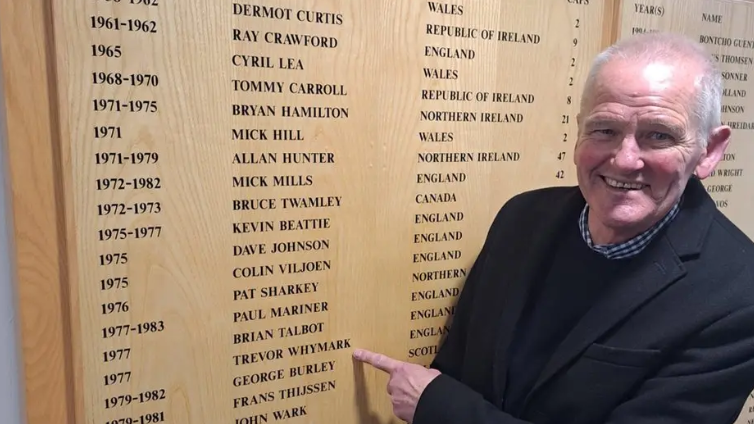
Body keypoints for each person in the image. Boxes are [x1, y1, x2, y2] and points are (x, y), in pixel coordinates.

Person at [353, 32, 754, 424]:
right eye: (604, 129)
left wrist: (438, 407)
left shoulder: (738, 297)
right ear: (578, 129)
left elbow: (446, 393)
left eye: (659, 135)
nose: (624, 159)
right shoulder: (521, 218)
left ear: (710, 150)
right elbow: (457, 364)